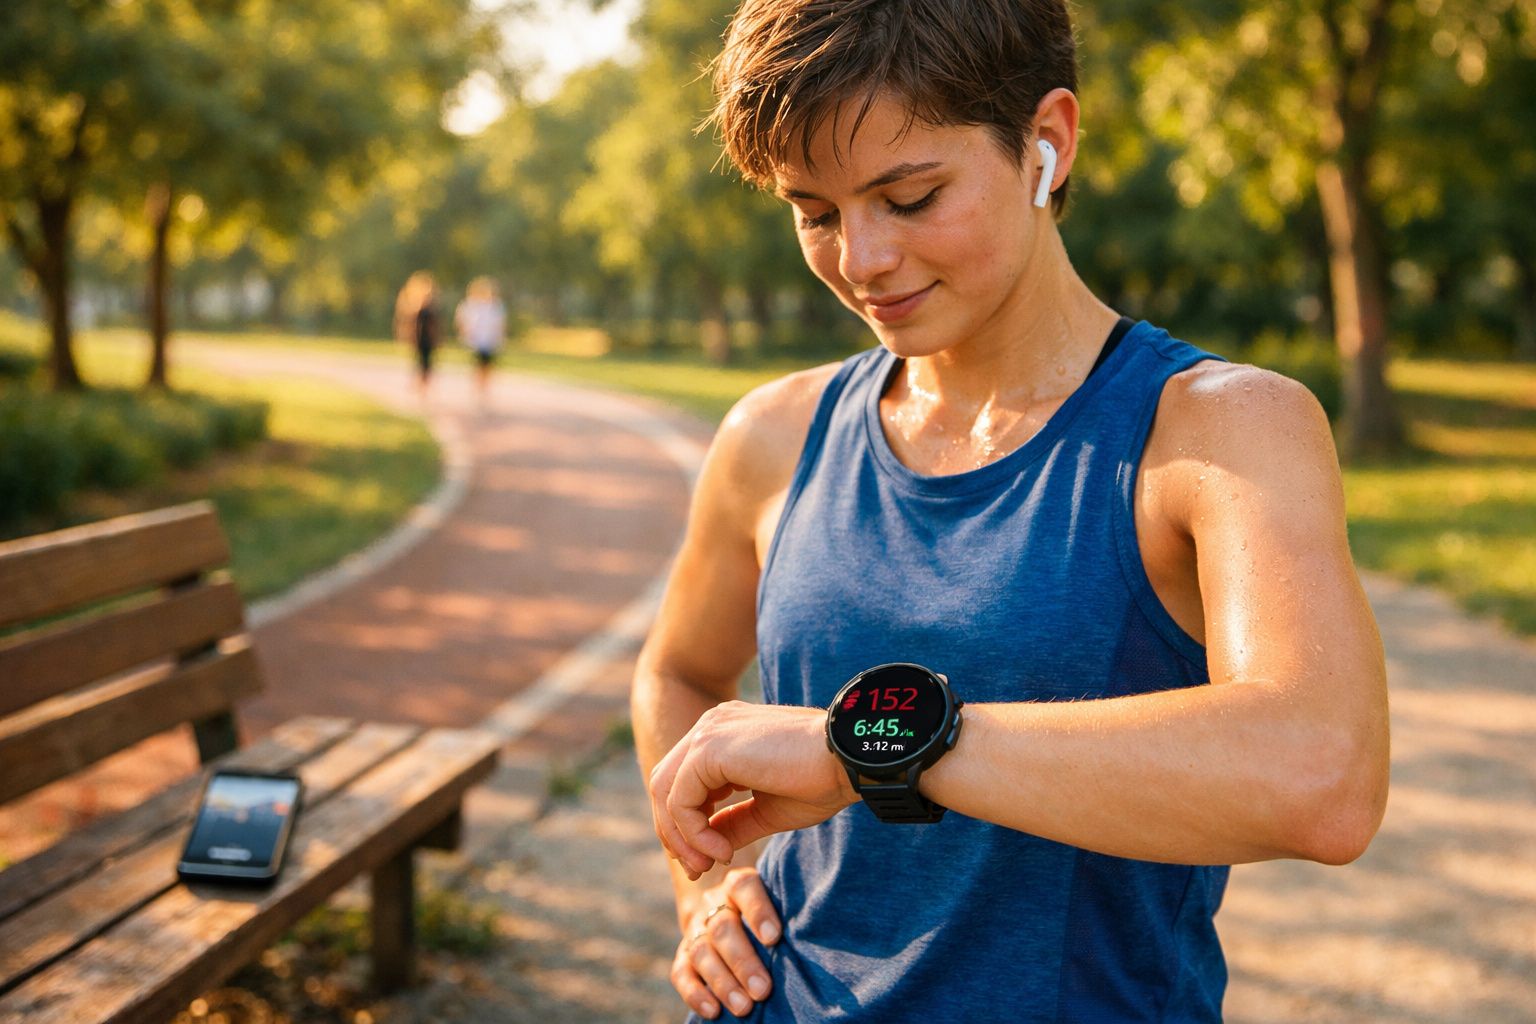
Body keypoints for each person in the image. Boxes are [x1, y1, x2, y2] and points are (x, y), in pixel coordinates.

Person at [634, 1, 1391, 1022]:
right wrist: (705, 882)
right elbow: (679, 671)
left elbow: (1323, 772)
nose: (860, 259)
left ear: (1049, 142)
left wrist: (867, 750)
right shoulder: (772, 433)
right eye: (814, 211)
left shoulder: (1220, 429)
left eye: (910, 196)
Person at [455, 276, 507, 405]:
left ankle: (484, 389)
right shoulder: (471, 304)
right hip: (476, 341)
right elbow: (461, 320)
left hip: (490, 341)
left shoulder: (496, 306)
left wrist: (501, 337)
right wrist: (464, 333)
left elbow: (501, 323)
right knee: (478, 366)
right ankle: (478, 389)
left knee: (487, 366)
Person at [394, 271, 440, 401]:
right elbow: (407, 324)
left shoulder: (432, 309)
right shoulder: (415, 308)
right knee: (419, 364)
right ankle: (419, 387)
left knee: (427, 364)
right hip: (418, 340)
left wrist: (437, 338)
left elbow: (435, 326)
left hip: (428, 341)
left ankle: (423, 388)